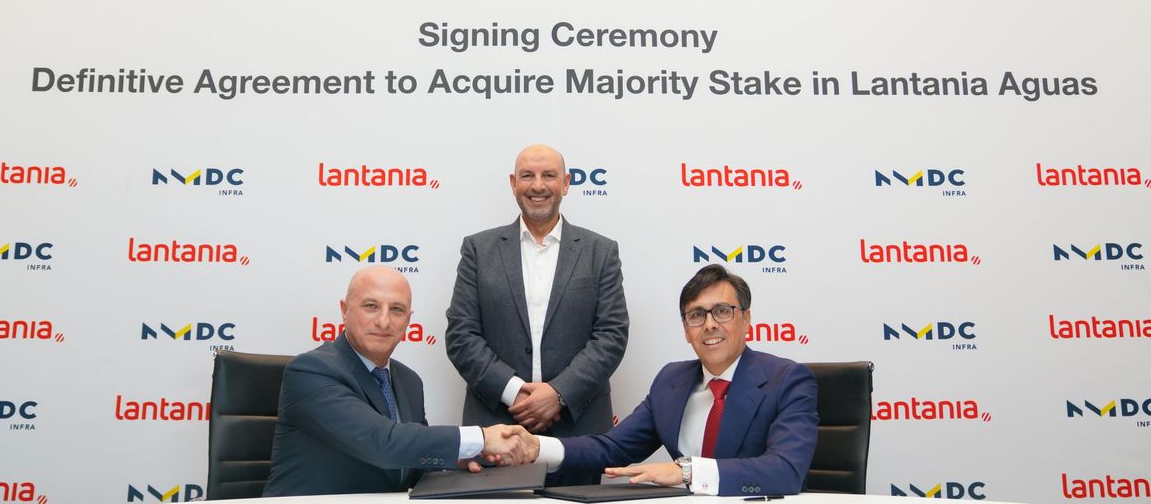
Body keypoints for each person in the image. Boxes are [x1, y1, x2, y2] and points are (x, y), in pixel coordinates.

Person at [534, 264, 818, 496]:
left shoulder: (787, 380)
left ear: (746, 320)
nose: (709, 325)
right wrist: (536, 447)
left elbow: (787, 470)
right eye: (697, 315)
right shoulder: (671, 380)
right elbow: (611, 448)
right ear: (686, 330)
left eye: (722, 311)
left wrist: (687, 472)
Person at [445, 144, 629, 485]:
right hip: (496, 428)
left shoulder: (600, 251)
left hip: (578, 431)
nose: (538, 185)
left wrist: (558, 394)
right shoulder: (478, 250)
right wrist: (515, 392)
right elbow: (461, 335)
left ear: (566, 183)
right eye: (527, 176)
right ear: (513, 183)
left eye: (549, 175)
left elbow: (611, 335)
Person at [263, 267, 535, 497]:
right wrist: (481, 438)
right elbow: (381, 442)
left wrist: (458, 459)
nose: (384, 321)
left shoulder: (409, 381)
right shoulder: (311, 370)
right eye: (371, 306)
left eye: (396, 310)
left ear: (408, 320)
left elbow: (411, 463)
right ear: (344, 310)